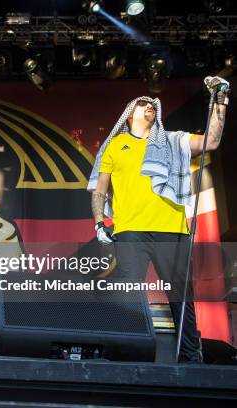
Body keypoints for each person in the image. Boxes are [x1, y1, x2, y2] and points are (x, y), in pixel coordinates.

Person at [88, 77, 229, 363]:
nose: (149, 105)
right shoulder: (116, 146)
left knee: (180, 295)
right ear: (129, 114)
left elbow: (212, 141)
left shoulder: (174, 140)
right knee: (127, 292)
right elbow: (100, 189)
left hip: (171, 228)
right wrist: (99, 222)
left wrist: (221, 101)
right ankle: (124, 353)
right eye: (142, 104)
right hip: (130, 229)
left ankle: (190, 355)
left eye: (152, 103)